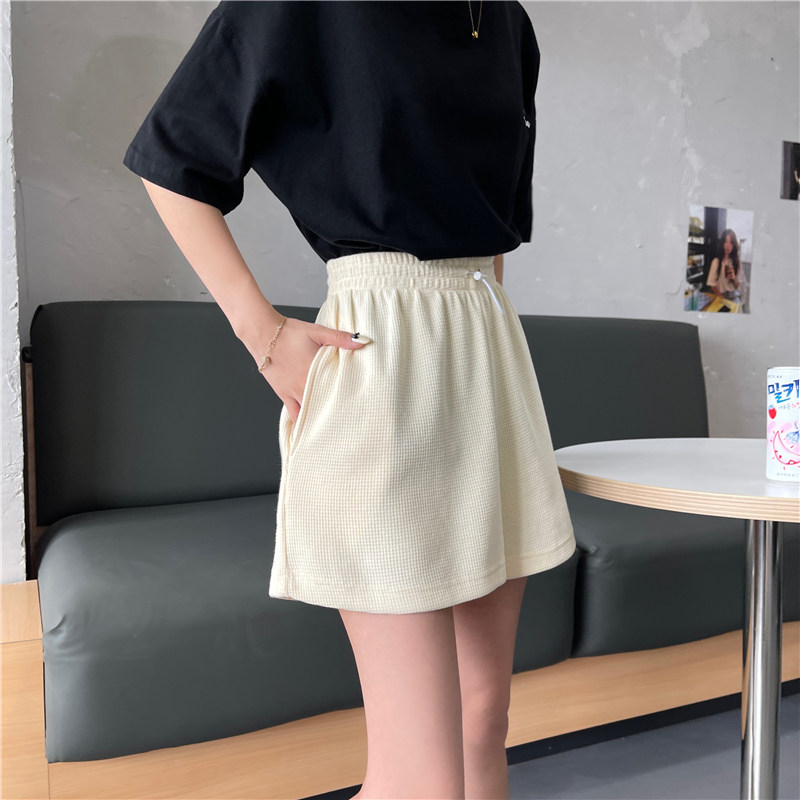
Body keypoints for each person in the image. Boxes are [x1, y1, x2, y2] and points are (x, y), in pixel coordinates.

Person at [122, 2, 576, 798]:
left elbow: (491, 228)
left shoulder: (508, 19)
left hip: (489, 351)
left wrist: (480, 341)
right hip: (381, 352)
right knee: (420, 778)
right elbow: (172, 158)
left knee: (484, 723)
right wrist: (265, 336)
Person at [706, 229, 744, 308]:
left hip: (734, 296)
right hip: (720, 295)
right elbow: (712, 284)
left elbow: (737, 286)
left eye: (731, 242)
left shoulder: (737, 263)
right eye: (725, 241)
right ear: (722, 243)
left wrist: (734, 278)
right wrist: (721, 297)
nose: (728, 245)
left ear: (734, 245)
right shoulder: (716, 262)